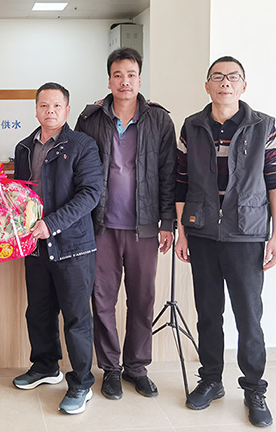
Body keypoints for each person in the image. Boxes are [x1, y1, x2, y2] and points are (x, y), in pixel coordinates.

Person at [174, 56, 276, 428]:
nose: (225, 82)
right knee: (208, 314)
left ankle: (254, 388)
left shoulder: (263, 126)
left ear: (243, 85)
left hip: (246, 234)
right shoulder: (192, 126)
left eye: (233, 77)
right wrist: (182, 231)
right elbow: (180, 182)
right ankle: (211, 380)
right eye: (218, 77)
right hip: (203, 232)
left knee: (248, 317)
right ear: (207, 85)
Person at [75, 47, 176, 400]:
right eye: (118, 75)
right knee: (102, 299)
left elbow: (168, 174)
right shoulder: (90, 119)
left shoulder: (159, 120)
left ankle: (137, 367)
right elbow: (79, 172)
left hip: (144, 226)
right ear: (109, 80)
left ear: (140, 79)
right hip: (100, 226)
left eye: (131, 75)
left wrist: (167, 222)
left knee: (142, 298)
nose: (124, 81)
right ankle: (111, 369)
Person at [12, 82, 103, 415]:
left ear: (67, 110)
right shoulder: (24, 147)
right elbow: (21, 195)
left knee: (76, 317)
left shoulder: (82, 145)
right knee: (38, 312)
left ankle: (81, 383)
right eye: (43, 105)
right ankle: (45, 366)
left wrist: (51, 223)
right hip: (34, 246)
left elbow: (90, 193)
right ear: (36, 109)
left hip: (73, 246)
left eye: (56, 106)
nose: (49, 111)